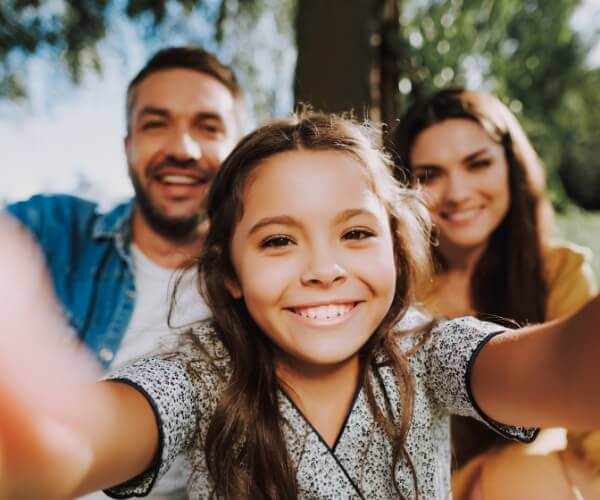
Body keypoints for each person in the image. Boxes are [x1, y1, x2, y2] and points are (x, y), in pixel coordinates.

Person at [0, 112, 599, 499]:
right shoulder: (201, 374)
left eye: (356, 234)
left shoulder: (431, 350)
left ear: (395, 247)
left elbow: (563, 371)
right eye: (279, 240)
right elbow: (86, 437)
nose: (323, 269)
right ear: (231, 272)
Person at [4, 46, 246, 499]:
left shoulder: (264, 284)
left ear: (238, 150)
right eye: (156, 124)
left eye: (208, 127)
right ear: (127, 146)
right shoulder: (53, 232)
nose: (182, 149)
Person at [389, 88, 598, 496]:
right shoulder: (393, 290)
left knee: (531, 458)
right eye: (430, 175)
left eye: (478, 163)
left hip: (540, 481)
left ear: (512, 166)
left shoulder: (557, 272)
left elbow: (593, 438)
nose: (458, 192)